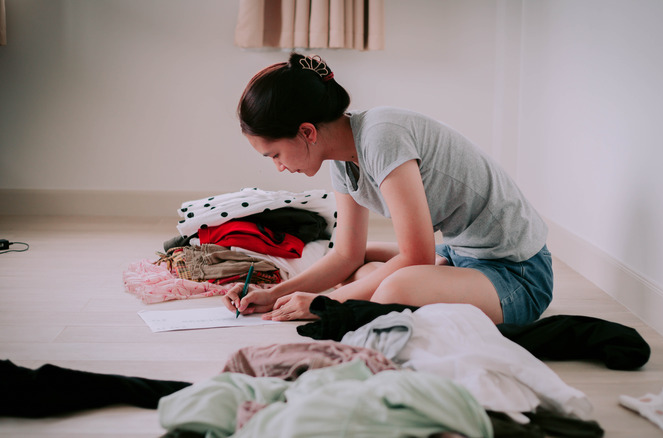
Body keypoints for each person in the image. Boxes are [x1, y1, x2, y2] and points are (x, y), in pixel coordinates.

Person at [222, 53, 552, 325]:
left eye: (275, 154)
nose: (279, 166)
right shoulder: (341, 158)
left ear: (307, 132)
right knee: (358, 264)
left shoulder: (382, 137)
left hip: (516, 272)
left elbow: (417, 255)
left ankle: (399, 291)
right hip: (462, 256)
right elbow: (345, 254)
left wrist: (324, 303)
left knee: (392, 289)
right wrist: (275, 294)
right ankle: (407, 288)